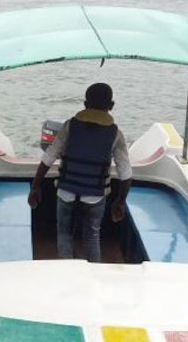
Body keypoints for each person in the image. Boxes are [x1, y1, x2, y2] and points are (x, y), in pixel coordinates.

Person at [27, 83, 132, 263]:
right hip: (95, 196)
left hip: (66, 192)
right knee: (91, 236)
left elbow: (48, 157)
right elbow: (125, 173)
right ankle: (93, 273)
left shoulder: (69, 126)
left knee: (64, 233)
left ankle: (67, 270)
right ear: (112, 105)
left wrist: (35, 187)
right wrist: (120, 201)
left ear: (85, 103)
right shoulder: (116, 134)